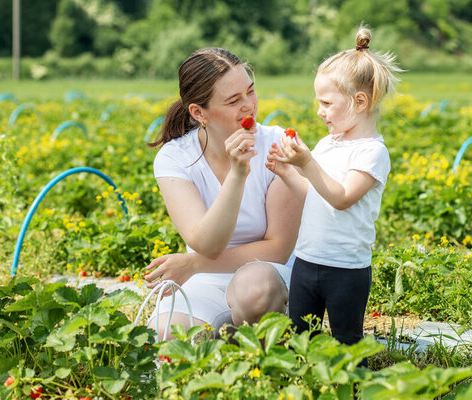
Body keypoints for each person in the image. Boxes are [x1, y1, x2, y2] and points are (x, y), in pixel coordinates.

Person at [143, 48, 304, 340]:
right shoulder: (175, 158)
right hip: (206, 279)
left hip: (269, 275)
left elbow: (278, 248)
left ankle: (263, 362)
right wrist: (237, 174)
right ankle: (225, 345)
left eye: (250, 92)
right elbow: (206, 242)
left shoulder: (279, 144)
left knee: (254, 294)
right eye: (233, 101)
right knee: (165, 335)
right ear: (198, 113)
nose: (249, 106)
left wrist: (193, 264)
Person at [266, 27, 400, 349]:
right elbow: (316, 194)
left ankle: (354, 389)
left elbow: (341, 198)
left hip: (346, 268)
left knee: (348, 341)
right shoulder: (328, 143)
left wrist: (307, 163)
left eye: (326, 103)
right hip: (307, 259)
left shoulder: (371, 153)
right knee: (301, 337)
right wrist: (288, 172)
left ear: (359, 101)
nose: (319, 111)